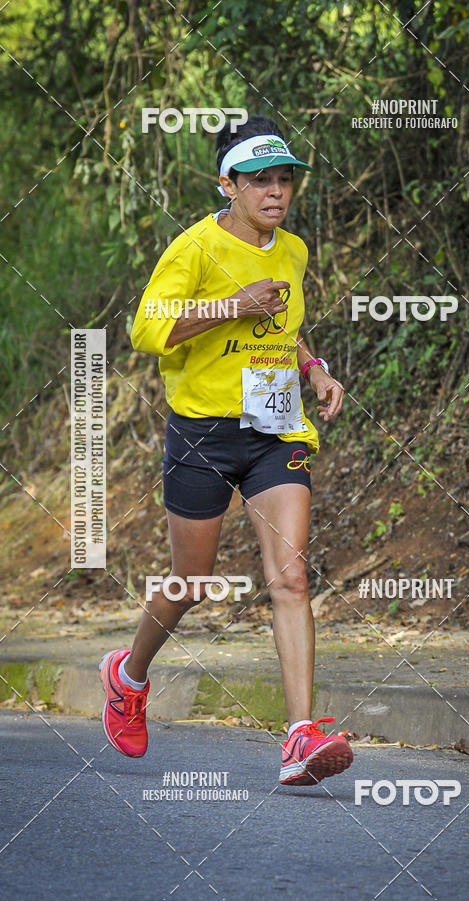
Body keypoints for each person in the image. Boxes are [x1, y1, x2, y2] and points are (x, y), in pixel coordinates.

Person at [99, 115, 353, 785]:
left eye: (285, 179)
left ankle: (299, 735)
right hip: (204, 430)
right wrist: (229, 305)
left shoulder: (293, 251)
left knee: (290, 576)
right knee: (192, 581)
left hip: (274, 430)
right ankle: (128, 675)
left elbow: (286, 324)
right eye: (260, 180)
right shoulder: (194, 248)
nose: (276, 192)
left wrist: (315, 368)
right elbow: (145, 329)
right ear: (229, 184)